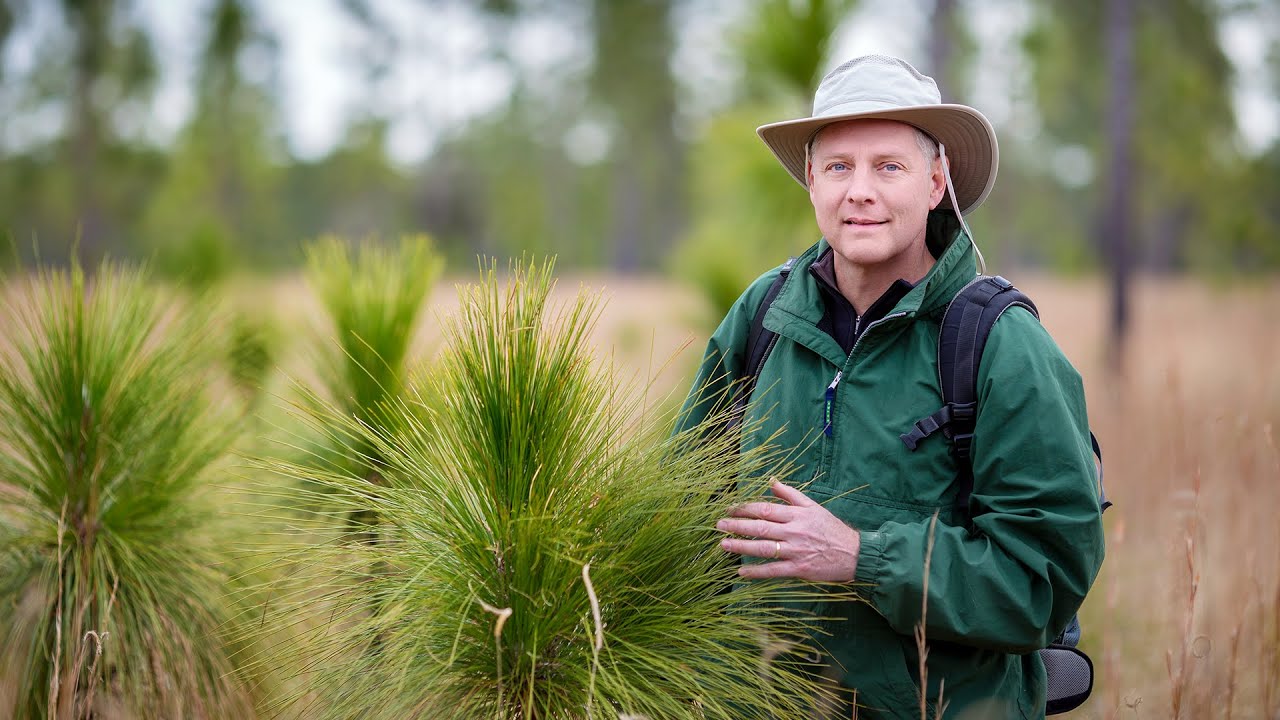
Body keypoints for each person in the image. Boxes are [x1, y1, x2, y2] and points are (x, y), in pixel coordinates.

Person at [677, 55, 1106, 719]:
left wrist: (861, 557)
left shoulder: (997, 342)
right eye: (838, 167)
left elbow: (1040, 583)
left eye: (888, 167)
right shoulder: (763, 317)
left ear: (936, 183)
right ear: (811, 182)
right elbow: (685, 511)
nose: (859, 191)